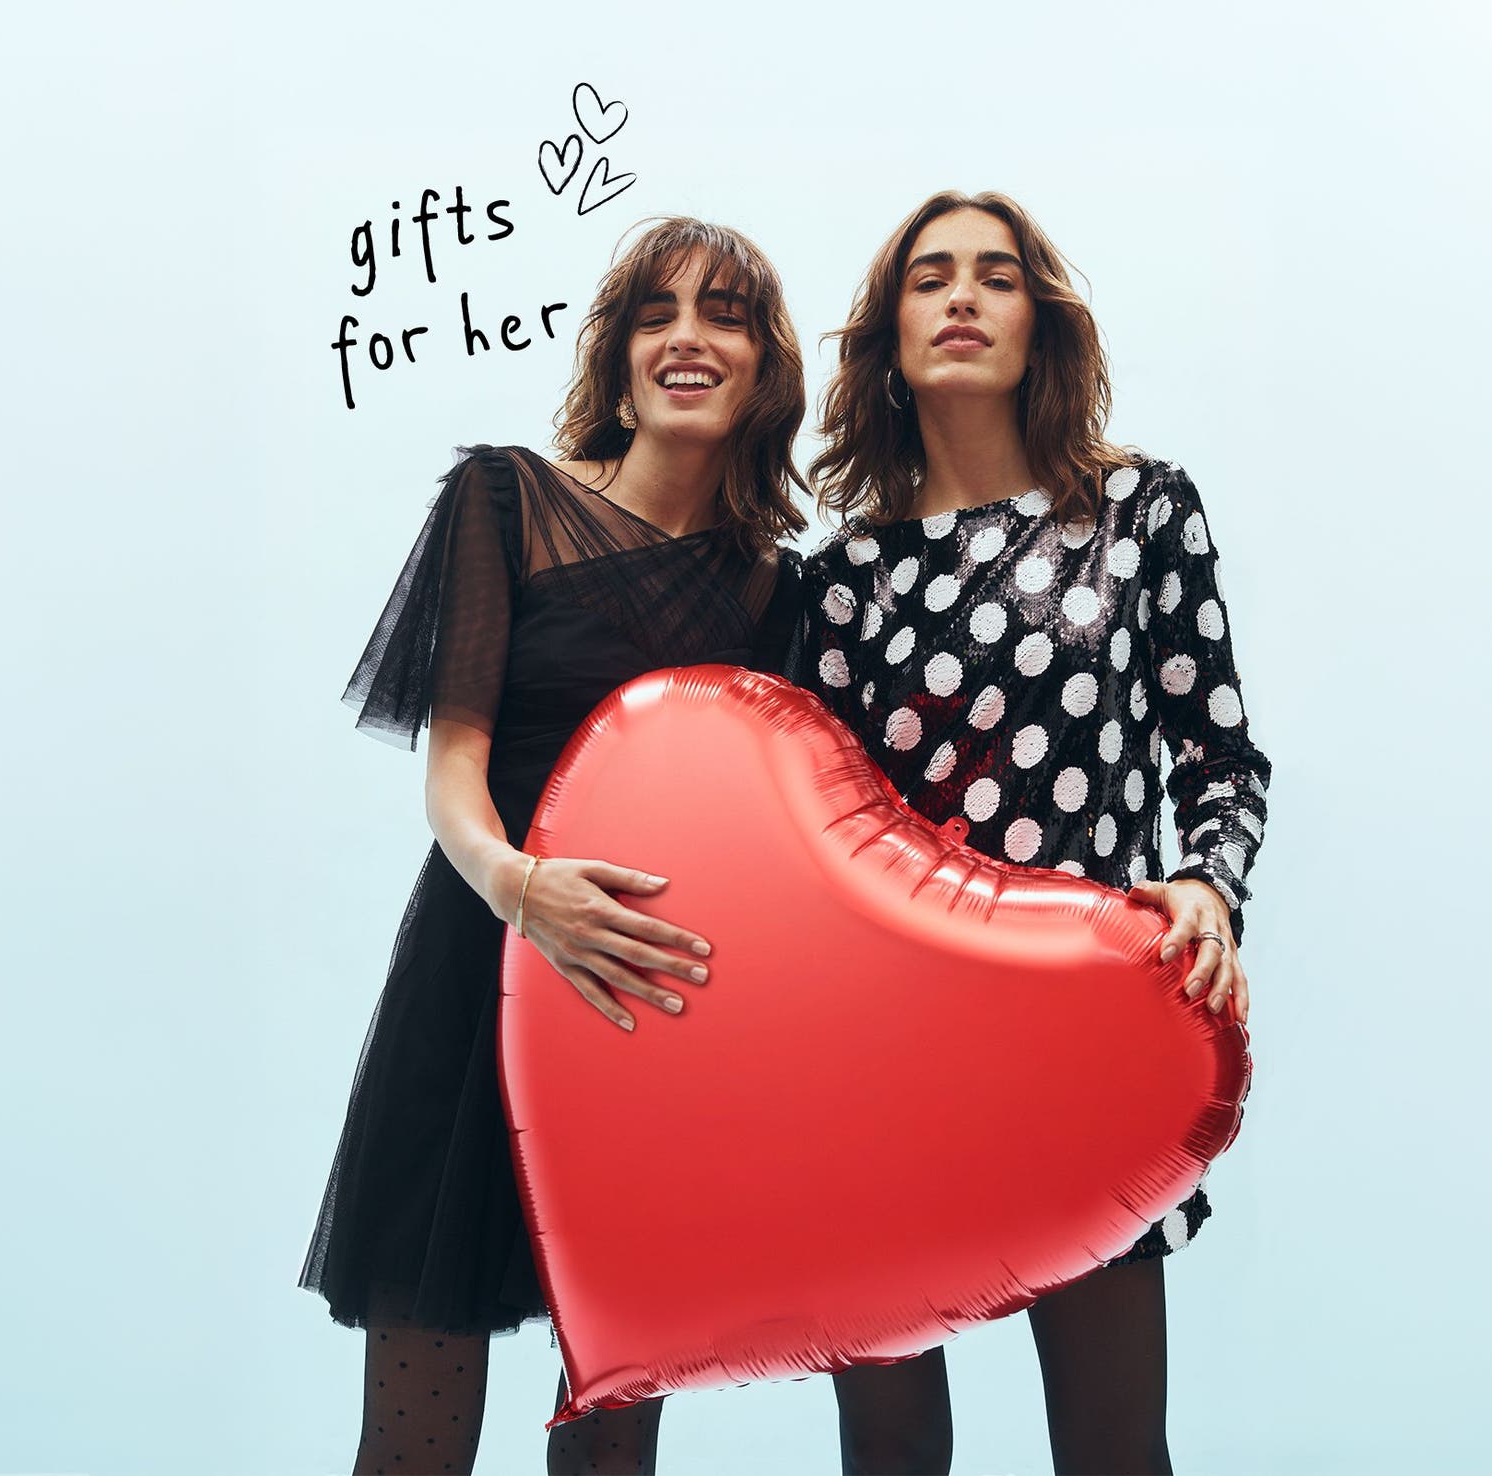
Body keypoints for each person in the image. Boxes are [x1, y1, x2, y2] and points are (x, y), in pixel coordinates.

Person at [301, 217, 811, 1476]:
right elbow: (454, 772)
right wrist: (525, 890)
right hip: (474, 976)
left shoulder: (777, 595)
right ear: (619, 353)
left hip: (645, 1010)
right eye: (657, 312)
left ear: (765, 367)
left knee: (611, 1446)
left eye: (726, 313)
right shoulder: (504, 499)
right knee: (408, 1449)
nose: (688, 336)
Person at [798, 191, 1274, 1475]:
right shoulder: (839, 583)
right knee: (888, 1459)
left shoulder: (1143, 515)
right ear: (888, 336)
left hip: (1084, 1045)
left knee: (1113, 1454)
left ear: (1038, 321)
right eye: (929, 278)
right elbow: (814, 842)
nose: (960, 297)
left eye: (995, 276)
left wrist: (1208, 888)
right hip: (891, 1061)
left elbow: (1219, 759)